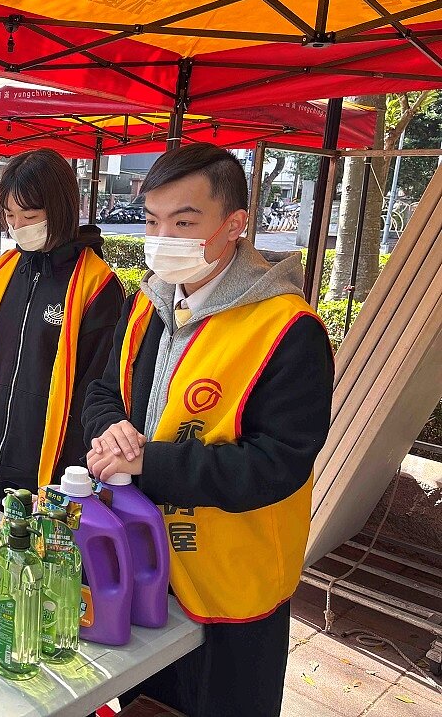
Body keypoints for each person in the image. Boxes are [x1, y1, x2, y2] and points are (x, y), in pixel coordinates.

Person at [82, 143, 334, 717]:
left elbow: (278, 464)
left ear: (235, 224)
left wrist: (152, 462)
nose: (162, 236)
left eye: (184, 221)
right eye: (152, 220)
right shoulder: (148, 304)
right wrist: (112, 429)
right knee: (146, 703)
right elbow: (101, 391)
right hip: (142, 564)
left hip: (228, 588)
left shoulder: (287, 328)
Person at [0, 149, 124, 502]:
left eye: (30, 215)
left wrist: (78, 470)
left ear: (60, 209)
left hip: (56, 470)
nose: (18, 227)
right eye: (11, 215)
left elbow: (98, 388)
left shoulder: (97, 285)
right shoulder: (2, 271)